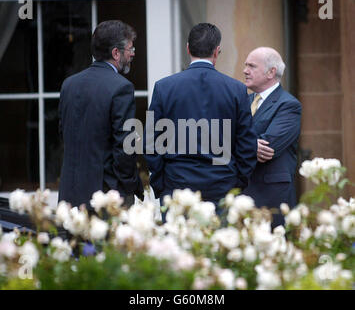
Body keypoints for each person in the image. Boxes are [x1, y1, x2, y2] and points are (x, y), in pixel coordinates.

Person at [144, 23, 257, 213]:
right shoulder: (236, 90)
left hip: (176, 187)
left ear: (188, 48)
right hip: (222, 186)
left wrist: (162, 186)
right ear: (217, 51)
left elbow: (151, 143)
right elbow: (247, 144)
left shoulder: (164, 87)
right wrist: (236, 183)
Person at [58, 20, 144, 210]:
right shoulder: (122, 87)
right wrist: (130, 186)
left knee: (75, 241)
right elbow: (125, 147)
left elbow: (64, 134)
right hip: (107, 197)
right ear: (116, 53)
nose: (132, 54)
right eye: (130, 49)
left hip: (70, 195)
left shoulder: (69, 85)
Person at [242, 47, 302, 227]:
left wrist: (237, 143)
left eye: (251, 66)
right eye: (245, 65)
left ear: (271, 72)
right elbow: (223, 137)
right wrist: (250, 145)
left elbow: (269, 146)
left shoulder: (288, 105)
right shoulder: (242, 102)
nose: (245, 70)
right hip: (241, 195)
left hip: (271, 197)